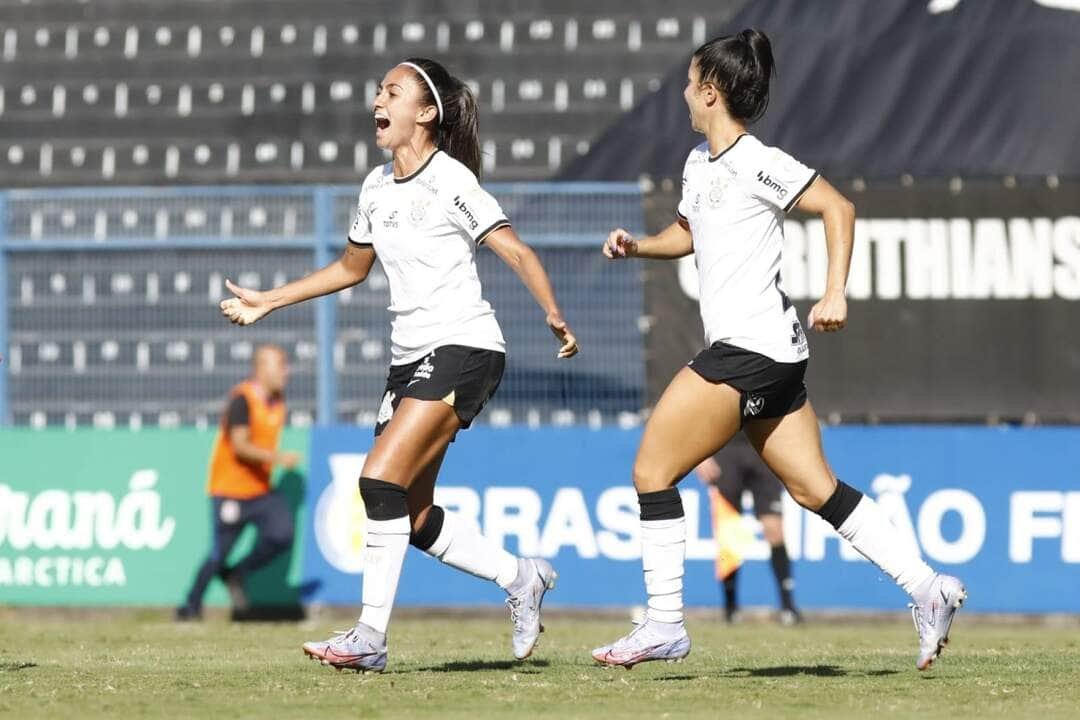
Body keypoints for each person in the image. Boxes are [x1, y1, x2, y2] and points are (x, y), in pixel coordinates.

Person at [592, 29, 965, 671]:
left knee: (652, 470)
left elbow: (837, 207)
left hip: (750, 350)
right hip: (772, 356)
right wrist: (640, 247)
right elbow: (688, 231)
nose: (684, 92)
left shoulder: (754, 160)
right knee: (816, 489)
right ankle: (928, 589)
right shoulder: (697, 164)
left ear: (711, 93)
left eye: (689, 83)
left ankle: (663, 624)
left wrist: (835, 293)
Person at [220, 57, 578, 673]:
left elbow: (513, 249)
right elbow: (349, 269)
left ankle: (369, 638)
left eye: (392, 91)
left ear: (427, 112)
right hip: (409, 358)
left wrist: (553, 313)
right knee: (410, 515)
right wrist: (270, 301)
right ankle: (520, 576)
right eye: (378, 91)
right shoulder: (375, 186)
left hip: (465, 347)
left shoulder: (453, 182)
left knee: (378, 480)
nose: (377, 101)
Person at [176, 344, 301, 620]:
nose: (286, 371)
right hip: (230, 490)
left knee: (282, 534)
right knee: (218, 553)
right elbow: (240, 446)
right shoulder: (242, 399)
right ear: (261, 368)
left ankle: (237, 574)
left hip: (259, 490)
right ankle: (189, 607)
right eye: (280, 364)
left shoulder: (278, 401)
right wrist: (278, 458)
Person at [695, 434, 800, 625]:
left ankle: (788, 608)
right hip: (725, 448)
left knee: (774, 529)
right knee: (728, 533)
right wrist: (700, 455)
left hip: (764, 447)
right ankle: (731, 608)